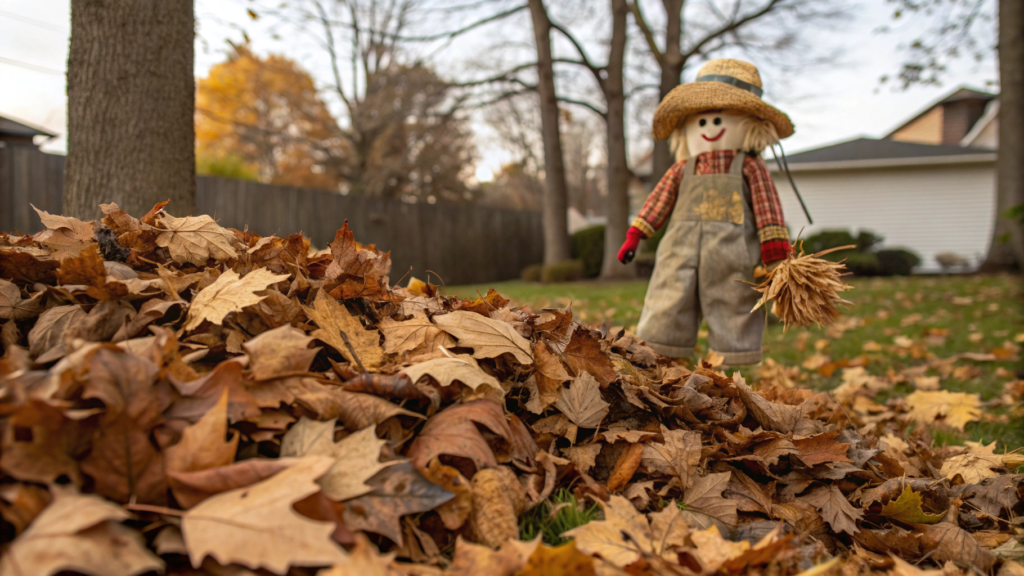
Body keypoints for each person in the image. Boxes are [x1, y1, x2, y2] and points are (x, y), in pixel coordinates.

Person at [618, 58, 793, 366]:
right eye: (702, 122)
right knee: (666, 301)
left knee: (734, 304)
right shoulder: (681, 169)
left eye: (719, 121)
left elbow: (768, 211)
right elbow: (656, 204)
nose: (710, 128)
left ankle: (734, 369)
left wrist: (775, 252)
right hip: (678, 251)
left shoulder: (750, 167)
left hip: (732, 255)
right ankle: (661, 359)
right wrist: (635, 236)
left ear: (751, 125)